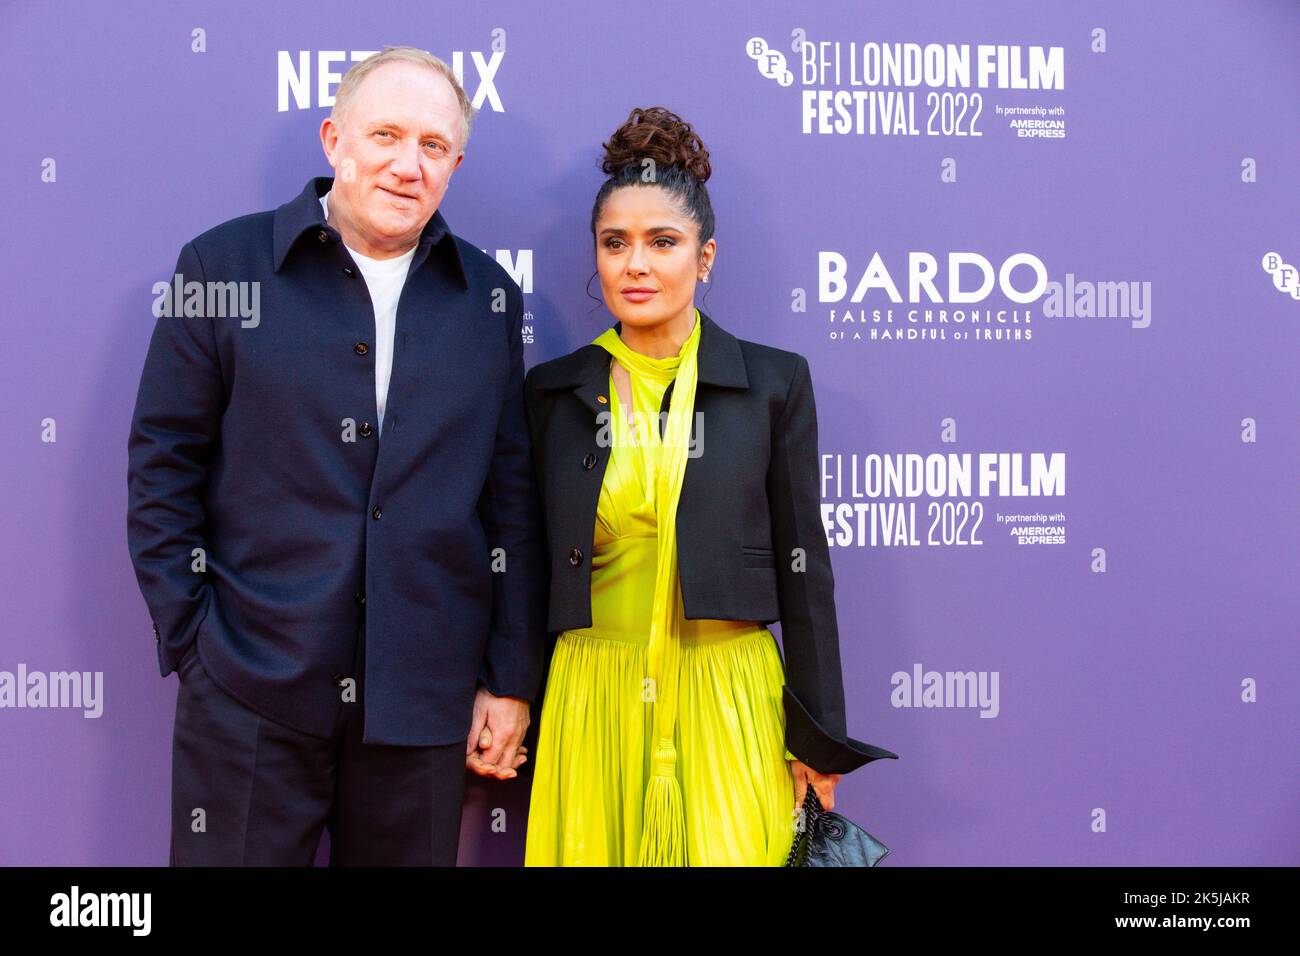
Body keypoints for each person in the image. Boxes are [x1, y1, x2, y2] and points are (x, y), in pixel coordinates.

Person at [127, 46, 546, 866]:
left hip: (422, 705)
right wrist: (195, 642)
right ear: (334, 140)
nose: (406, 164)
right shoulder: (221, 268)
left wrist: (508, 677)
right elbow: (162, 462)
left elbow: (510, 501)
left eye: (432, 146)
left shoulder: (487, 298)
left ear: (455, 165)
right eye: (385, 134)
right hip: (250, 691)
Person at [521, 107, 897, 866]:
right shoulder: (553, 393)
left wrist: (815, 739)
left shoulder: (770, 383)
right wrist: (505, 700)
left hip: (730, 695)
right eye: (615, 243)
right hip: (592, 694)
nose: (636, 264)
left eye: (663, 242)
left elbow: (805, 567)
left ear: (705, 256)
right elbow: (523, 568)